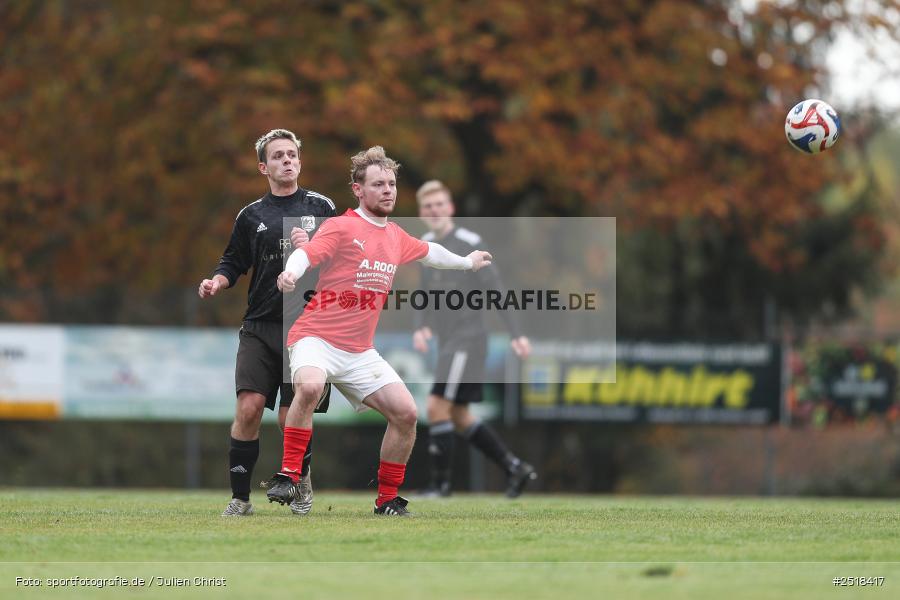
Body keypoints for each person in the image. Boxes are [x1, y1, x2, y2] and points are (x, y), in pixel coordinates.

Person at [266, 146, 493, 516]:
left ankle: (387, 500)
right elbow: (307, 254)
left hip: (358, 351)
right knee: (309, 386)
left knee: (406, 414)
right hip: (315, 337)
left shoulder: (395, 236)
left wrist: (467, 263)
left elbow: (431, 252)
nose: (388, 190)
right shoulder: (341, 226)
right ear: (358, 190)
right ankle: (290, 475)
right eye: (378, 184)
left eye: (391, 184)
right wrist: (291, 272)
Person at [198, 129, 335, 517]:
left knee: (290, 416)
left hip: (307, 327)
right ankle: (240, 499)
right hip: (259, 325)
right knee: (249, 407)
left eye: (292, 154)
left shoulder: (322, 207)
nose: (286, 160)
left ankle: (301, 481)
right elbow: (233, 261)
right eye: (277, 156)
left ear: (300, 162)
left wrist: (310, 249)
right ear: (263, 167)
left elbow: (342, 258)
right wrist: (217, 281)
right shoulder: (251, 215)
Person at [413, 180, 537, 498]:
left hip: (467, 339)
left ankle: (441, 487)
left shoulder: (470, 242)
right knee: (458, 415)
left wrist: (517, 334)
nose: (434, 210)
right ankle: (515, 467)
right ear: (421, 212)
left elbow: (497, 289)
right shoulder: (425, 244)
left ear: (451, 208)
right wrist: (421, 326)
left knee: (436, 406)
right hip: (449, 340)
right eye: (428, 206)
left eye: (439, 204)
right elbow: (425, 293)